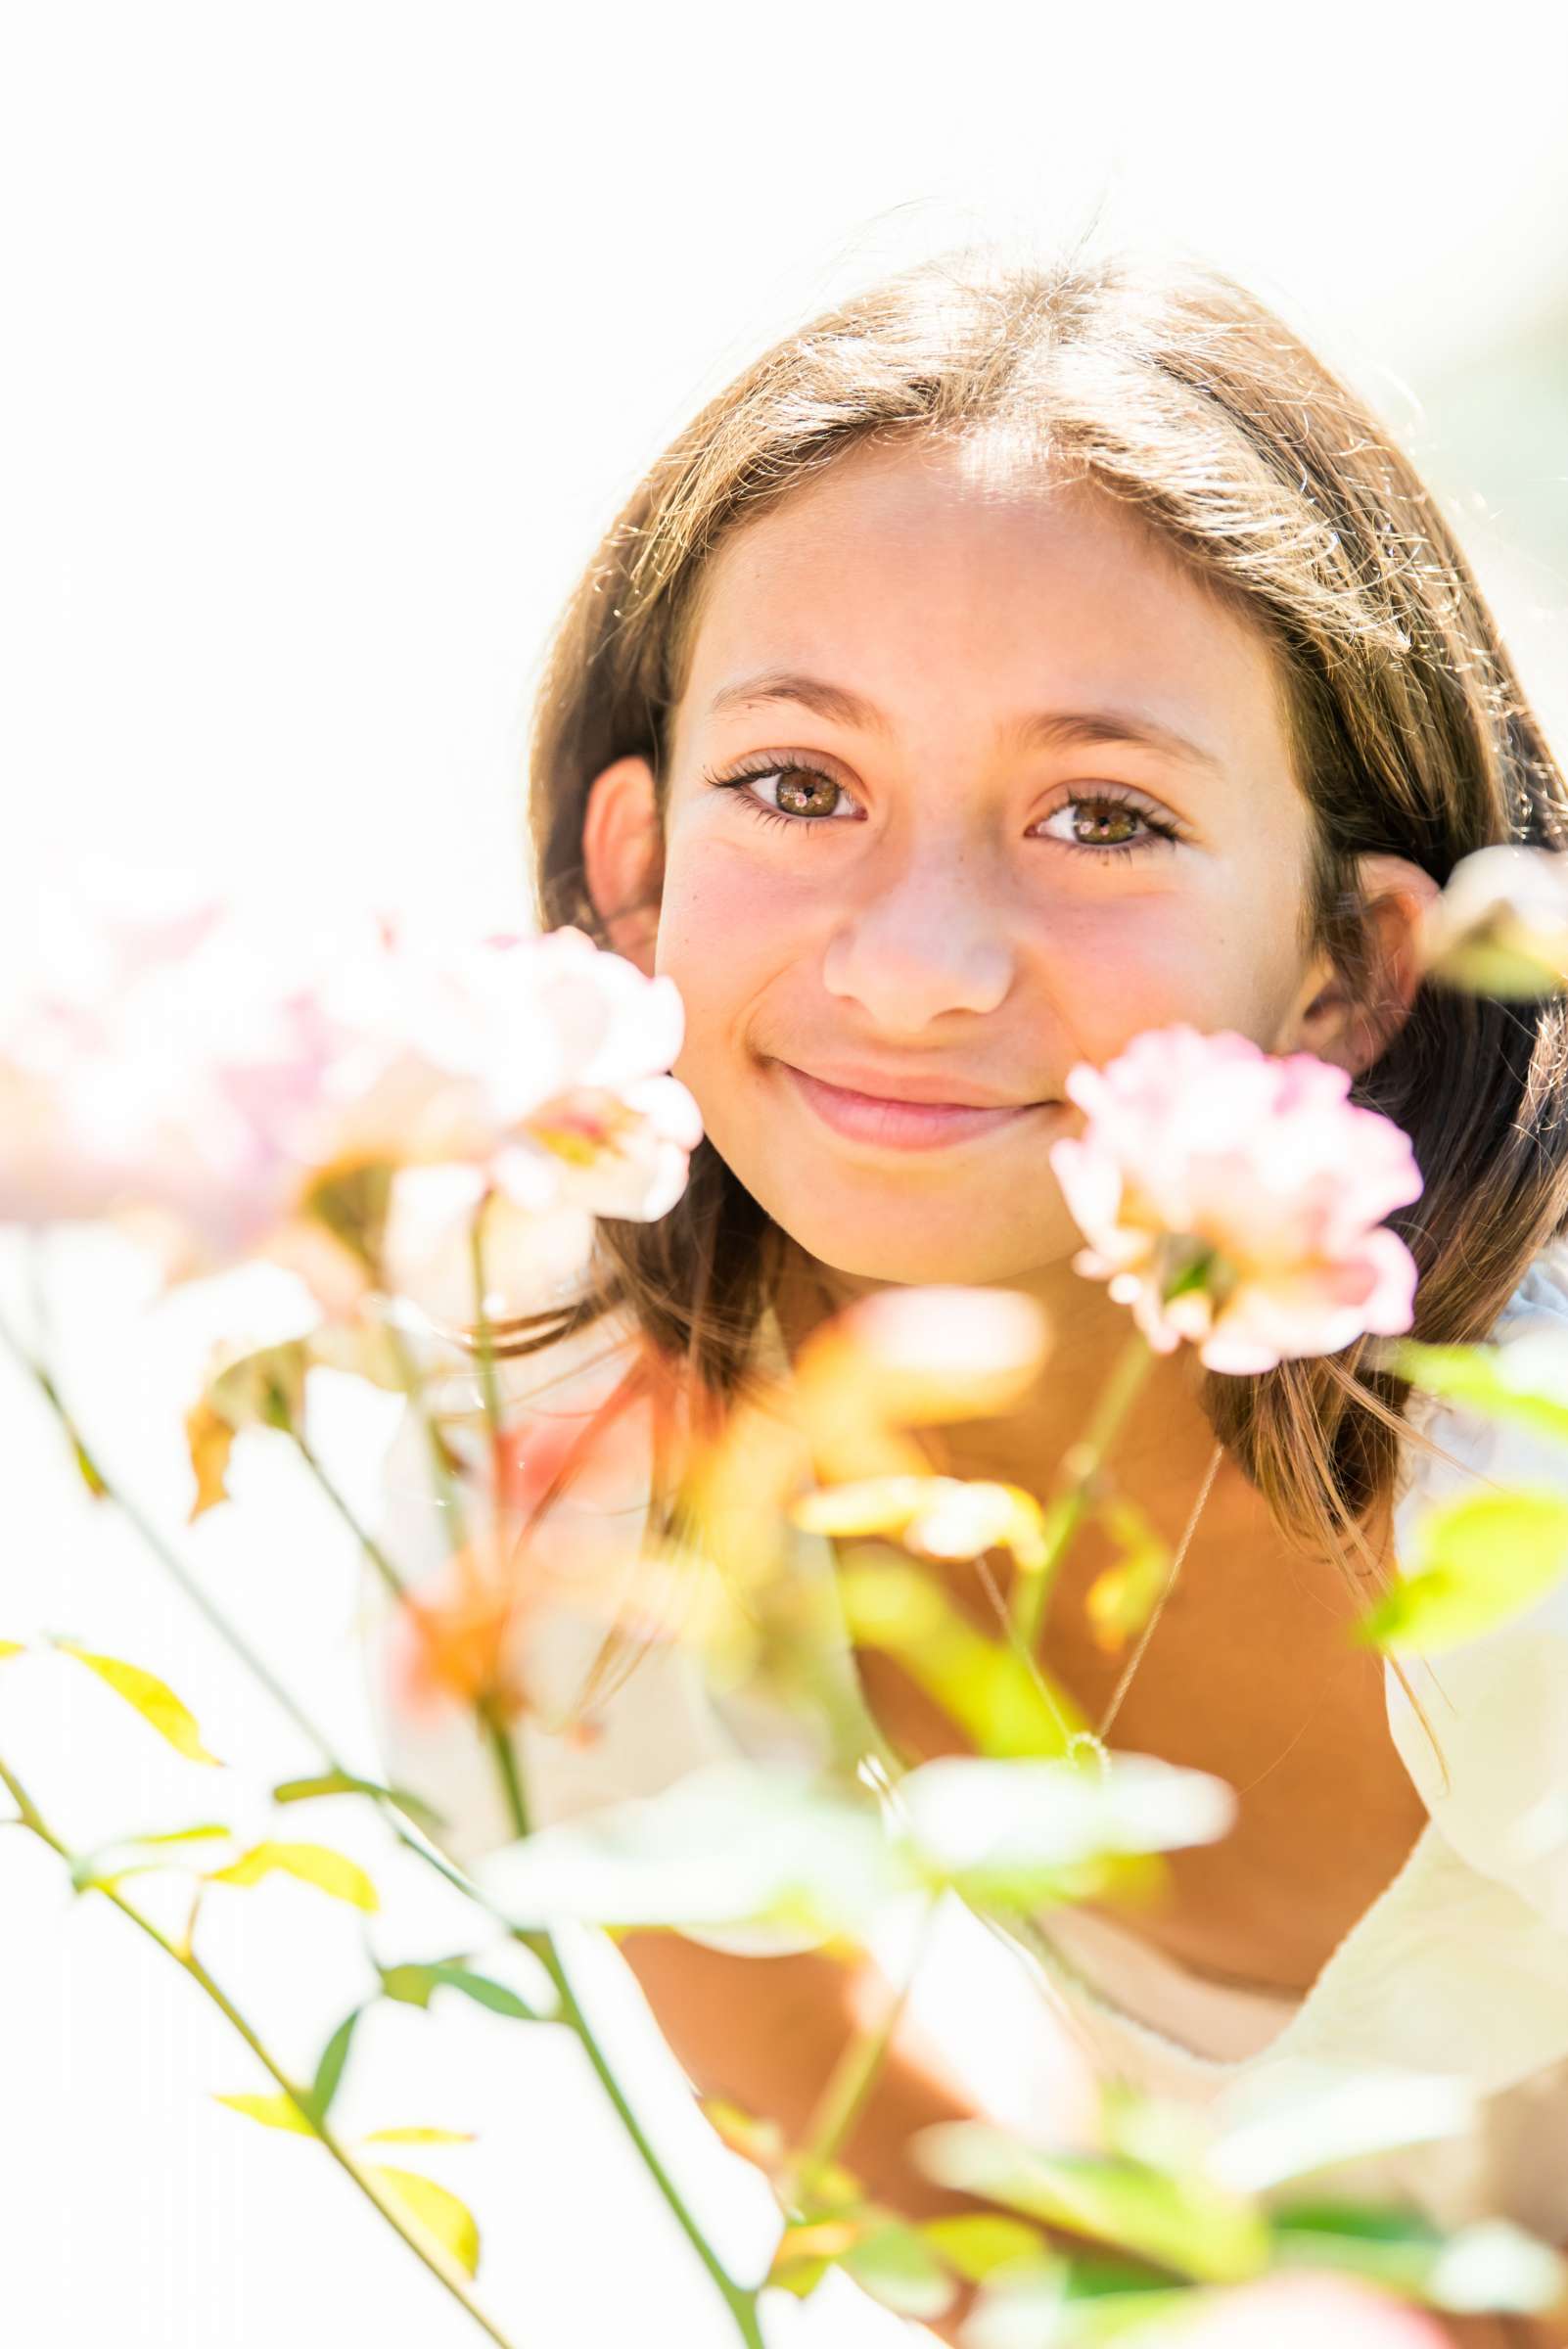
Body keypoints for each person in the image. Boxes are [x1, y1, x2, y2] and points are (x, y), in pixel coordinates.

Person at [361, 237, 1568, 2345]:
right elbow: (932, 2209)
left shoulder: (1522, 1465)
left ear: (1355, 965)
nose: (916, 962)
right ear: (635, 867)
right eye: (798, 785)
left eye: (1101, 818)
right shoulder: (547, 1399)